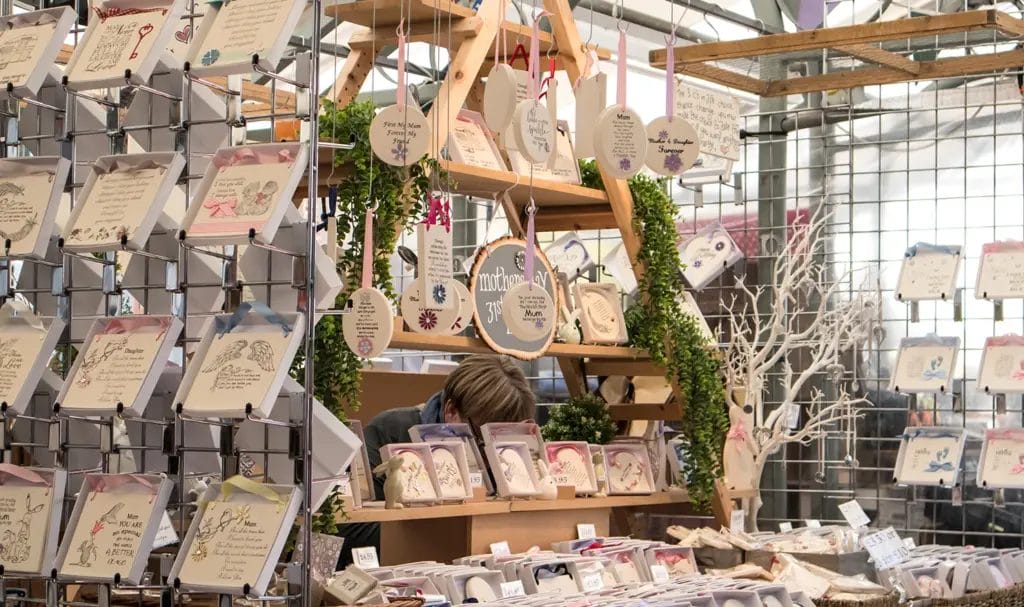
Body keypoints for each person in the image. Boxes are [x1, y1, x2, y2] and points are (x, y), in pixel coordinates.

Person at [337, 354, 536, 565]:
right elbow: (350, 528)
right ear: (451, 410)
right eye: (481, 441)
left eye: (501, 446)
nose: (490, 460)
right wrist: (448, 528)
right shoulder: (390, 432)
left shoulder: (509, 453)